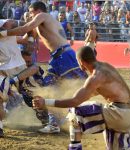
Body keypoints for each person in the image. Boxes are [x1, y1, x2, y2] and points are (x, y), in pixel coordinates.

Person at [0, 1, 87, 133]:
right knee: (47, 89)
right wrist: (29, 35)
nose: (30, 14)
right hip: (57, 58)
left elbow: (25, 28)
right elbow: (29, 39)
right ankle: (55, 123)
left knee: (83, 85)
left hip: (64, 55)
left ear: (38, 10)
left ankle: (93, 112)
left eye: (31, 12)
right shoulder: (39, 23)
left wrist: (3, 34)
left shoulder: (43, 16)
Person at [33, 46, 130, 150]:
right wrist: (70, 99)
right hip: (129, 114)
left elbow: (75, 101)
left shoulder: (96, 76)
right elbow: (87, 95)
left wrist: (45, 102)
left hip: (119, 114)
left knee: (75, 111)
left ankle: (74, 148)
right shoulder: (106, 67)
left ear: (81, 61)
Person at [0, 19, 59, 137]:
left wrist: (31, 36)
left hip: (13, 70)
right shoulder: (3, 31)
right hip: (10, 70)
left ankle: (52, 121)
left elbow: (23, 36)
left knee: (34, 96)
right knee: (34, 94)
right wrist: (31, 25)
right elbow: (21, 27)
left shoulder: (6, 32)